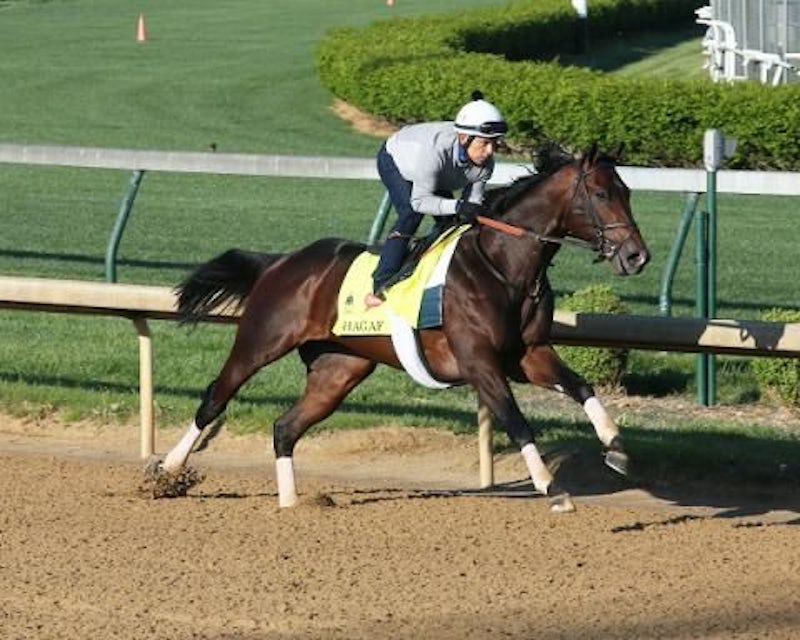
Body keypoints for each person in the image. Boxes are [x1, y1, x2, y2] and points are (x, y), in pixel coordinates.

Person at [365, 90, 508, 307]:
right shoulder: (433, 152)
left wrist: (469, 211)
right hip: (396, 159)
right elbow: (420, 201)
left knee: (453, 223)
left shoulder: (485, 165)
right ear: (464, 138)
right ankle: (381, 283)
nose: (489, 152)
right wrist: (459, 205)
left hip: (436, 173)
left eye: (495, 144)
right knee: (410, 213)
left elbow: (471, 206)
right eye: (485, 143)